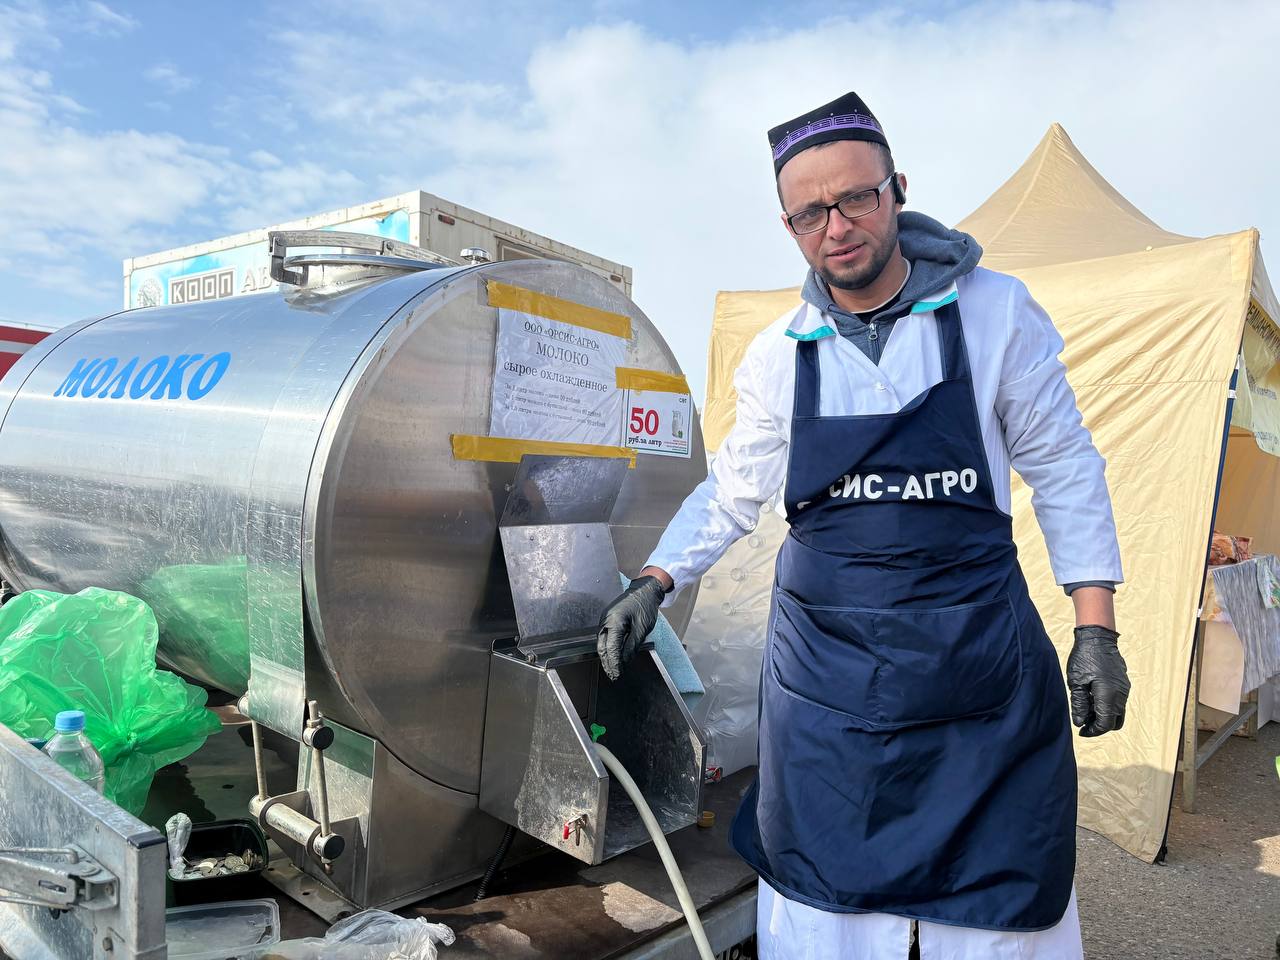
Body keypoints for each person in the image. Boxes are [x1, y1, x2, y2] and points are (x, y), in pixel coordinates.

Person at [597, 91, 1131, 960]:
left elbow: (1065, 466)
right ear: (789, 226)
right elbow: (732, 491)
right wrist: (654, 582)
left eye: (856, 197)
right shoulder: (782, 352)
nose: (837, 226)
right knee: (828, 911)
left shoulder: (994, 313)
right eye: (810, 213)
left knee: (992, 910)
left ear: (898, 189)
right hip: (827, 680)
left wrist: (1096, 631)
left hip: (974, 664)